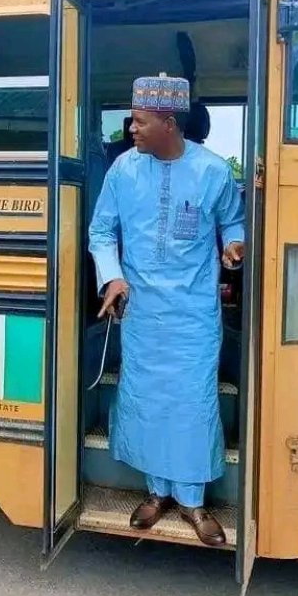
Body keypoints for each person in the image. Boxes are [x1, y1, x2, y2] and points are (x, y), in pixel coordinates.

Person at [88, 72, 245, 546]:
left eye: (138, 122)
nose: (130, 130)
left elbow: (235, 222)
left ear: (168, 123)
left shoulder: (213, 171)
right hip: (142, 312)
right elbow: (101, 232)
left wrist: (234, 246)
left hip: (193, 314)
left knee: (192, 405)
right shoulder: (123, 171)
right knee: (148, 401)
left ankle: (194, 503)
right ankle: (156, 494)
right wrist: (112, 276)